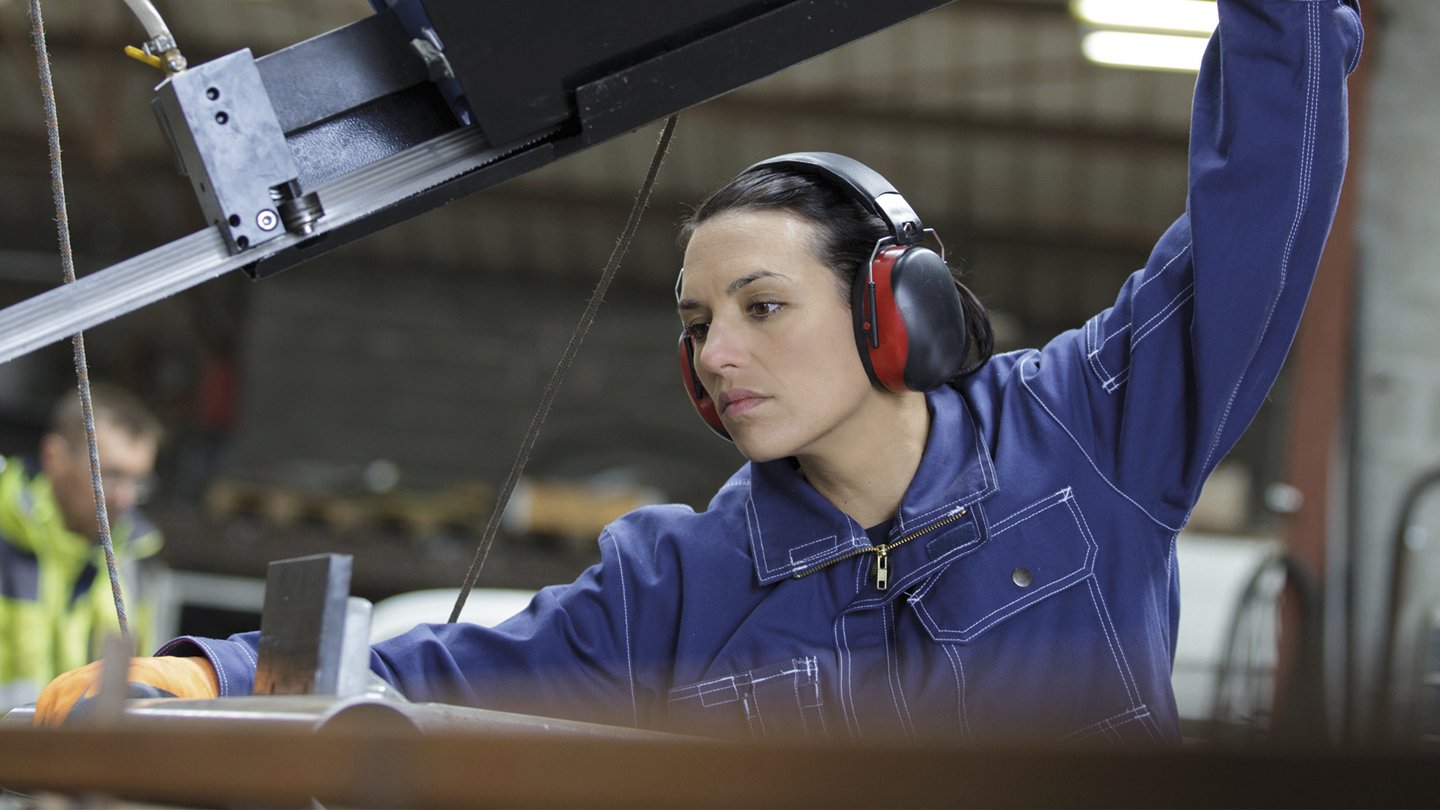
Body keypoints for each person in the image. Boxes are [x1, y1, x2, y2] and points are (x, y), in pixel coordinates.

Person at [36, 0, 1362, 745]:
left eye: (762, 305)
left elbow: (1266, 202)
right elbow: (433, 668)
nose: (715, 353)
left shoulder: (1089, 435)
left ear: (899, 306)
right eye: (693, 322)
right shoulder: (678, 580)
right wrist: (210, 671)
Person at [1, 383, 166, 714]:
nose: (126, 498)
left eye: (139, 482)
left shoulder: (135, 562)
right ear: (54, 457)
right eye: (111, 475)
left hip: (80, 761)